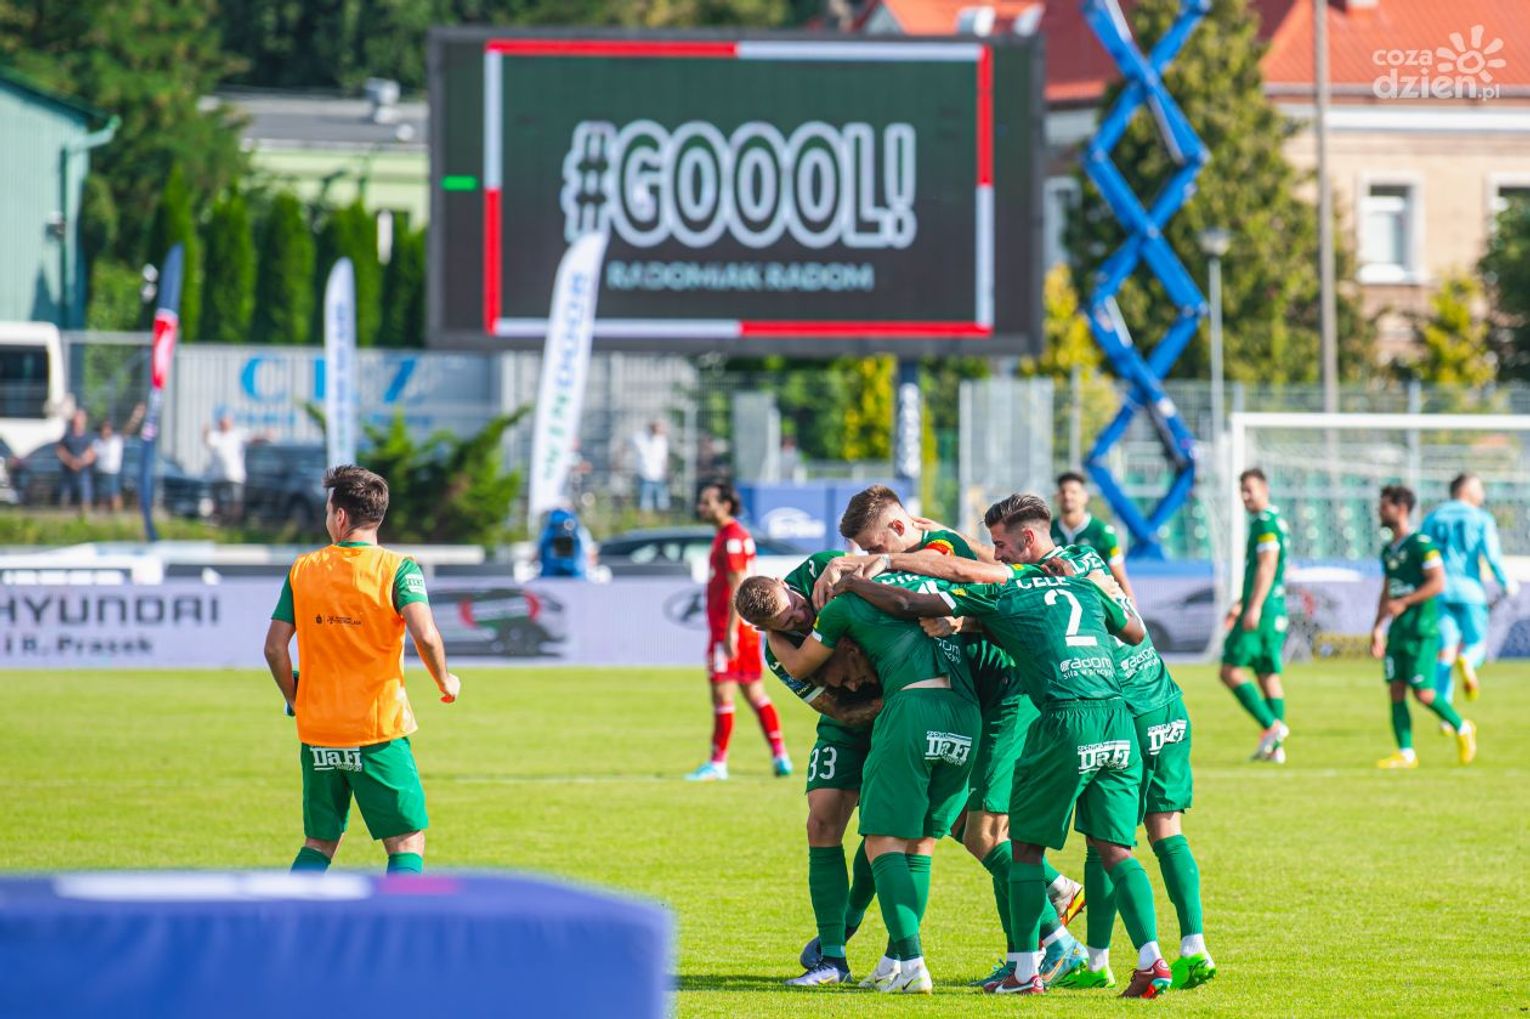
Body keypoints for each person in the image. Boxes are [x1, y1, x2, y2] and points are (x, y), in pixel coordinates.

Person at [836, 502, 1173, 999]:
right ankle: (1152, 960)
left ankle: (1031, 965)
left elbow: (919, 597)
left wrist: (861, 579)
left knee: (1017, 846)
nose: (995, 555)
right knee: (1116, 850)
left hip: (1060, 716)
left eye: (1000, 546)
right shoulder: (1082, 581)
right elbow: (1135, 631)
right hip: (1116, 716)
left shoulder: (1008, 587)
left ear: (1027, 542)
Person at [765, 573, 981, 995]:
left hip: (910, 711)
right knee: (912, 840)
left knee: (884, 840)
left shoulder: (837, 594)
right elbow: (842, 709)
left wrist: (774, 637)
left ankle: (908, 959)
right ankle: (882, 960)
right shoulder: (902, 598)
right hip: (962, 714)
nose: (849, 686)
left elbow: (801, 666)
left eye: (839, 675)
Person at [262, 465, 461, 875]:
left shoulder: (303, 569)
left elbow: (274, 648)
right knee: (405, 841)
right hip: (376, 729)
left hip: (319, 731)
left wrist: (294, 699)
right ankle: (401, 916)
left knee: (320, 842)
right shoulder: (398, 569)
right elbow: (426, 635)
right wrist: (445, 681)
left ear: (340, 516)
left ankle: (288, 913)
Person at [737, 551, 881, 988]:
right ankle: (832, 960)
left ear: (786, 583)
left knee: (888, 827)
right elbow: (838, 708)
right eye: (786, 623)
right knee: (821, 823)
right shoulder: (778, 654)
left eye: (796, 606)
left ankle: (848, 918)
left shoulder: (823, 568)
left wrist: (846, 566)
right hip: (851, 722)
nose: (800, 617)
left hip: (905, 710)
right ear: (767, 630)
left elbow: (890, 561)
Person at [686, 480, 791, 781]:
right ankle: (780, 755)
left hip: (728, 630)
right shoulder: (733, 535)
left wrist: (730, 631)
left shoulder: (732, 538)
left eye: (707, 502)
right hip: (742, 631)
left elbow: (738, 586)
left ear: (726, 505)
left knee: (723, 695)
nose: (702, 508)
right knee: (755, 693)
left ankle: (717, 763)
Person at [1373, 485, 1477, 769]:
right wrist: (1377, 627)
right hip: (1398, 631)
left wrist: (1405, 601)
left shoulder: (1421, 544)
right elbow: (1387, 590)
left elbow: (1437, 583)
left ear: (1401, 509)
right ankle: (1406, 753)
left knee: (1424, 693)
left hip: (1422, 629)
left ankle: (1462, 727)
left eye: (1384, 506)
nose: (1380, 512)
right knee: (1395, 690)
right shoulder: (1388, 550)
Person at [1421, 473, 1517, 705]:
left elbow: (1421, 551)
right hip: (1470, 591)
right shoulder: (1481, 518)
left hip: (1439, 590)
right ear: (1466, 490)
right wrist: (1506, 583)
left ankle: (1445, 712)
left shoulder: (1433, 517)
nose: (1482, 494)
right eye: (1479, 488)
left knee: (1445, 650)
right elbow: (1492, 556)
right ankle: (1468, 660)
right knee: (1476, 644)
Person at [1220, 468, 1292, 763]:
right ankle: (1276, 748)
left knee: (1229, 670)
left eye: (1250, 489)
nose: (1245, 496)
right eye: (1242, 491)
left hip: (1263, 609)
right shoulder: (1275, 520)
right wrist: (1242, 602)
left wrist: (1254, 606)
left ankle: (1272, 726)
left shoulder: (1264, 523)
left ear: (1265, 488)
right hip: (1274, 608)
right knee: (1267, 675)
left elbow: (1267, 564)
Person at [1052, 471, 1135, 602]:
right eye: (1063, 492)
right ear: (1057, 497)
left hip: (1095, 600)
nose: (1067, 496)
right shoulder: (1048, 530)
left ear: (1085, 497)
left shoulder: (1103, 532)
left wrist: (1132, 609)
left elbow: (1120, 577)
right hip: (1058, 600)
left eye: (1073, 492)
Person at [204, 414, 249, 522]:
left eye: (226, 423)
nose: (224, 425)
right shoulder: (215, 436)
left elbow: (253, 439)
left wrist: (265, 436)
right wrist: (205, 432)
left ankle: (234, 521)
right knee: (217, 501)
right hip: (217, 475)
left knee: (235, 500)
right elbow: (207, 442)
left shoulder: (237, 435)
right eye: (222, 423)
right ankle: (219, 520)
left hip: (234, 475)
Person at [55, 408, 95, 513]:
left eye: (80, 418)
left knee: (85, 496)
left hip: (83, 471)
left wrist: (81, 461)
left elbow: (92, 453)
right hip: (68, 472)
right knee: (65, 496)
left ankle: (85, 516)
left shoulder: (87, 437)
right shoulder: (67, 436)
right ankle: (62, 516)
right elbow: (60, 451)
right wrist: (70, 461)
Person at [630, 419, 671, 513]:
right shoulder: (640, 438)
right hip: (644, 476)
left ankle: (661, 520)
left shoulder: (662, 440)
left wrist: (666, 472)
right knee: (645, 503)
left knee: (662, 503)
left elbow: (664, 459)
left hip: (659, 476)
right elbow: (626, 445)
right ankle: (646, 520)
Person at [92, 420, 125, 513]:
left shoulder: (117, 440)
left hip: (112, 473)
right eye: (104, 429)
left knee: (114, 496)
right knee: (101, 498)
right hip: (100, 473)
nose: (106, 431)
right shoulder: (97, 442)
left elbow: (127, 430)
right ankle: (101, 516)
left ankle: (117, 515)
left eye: (108, 429)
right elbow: (92, 455)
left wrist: (136, 417)